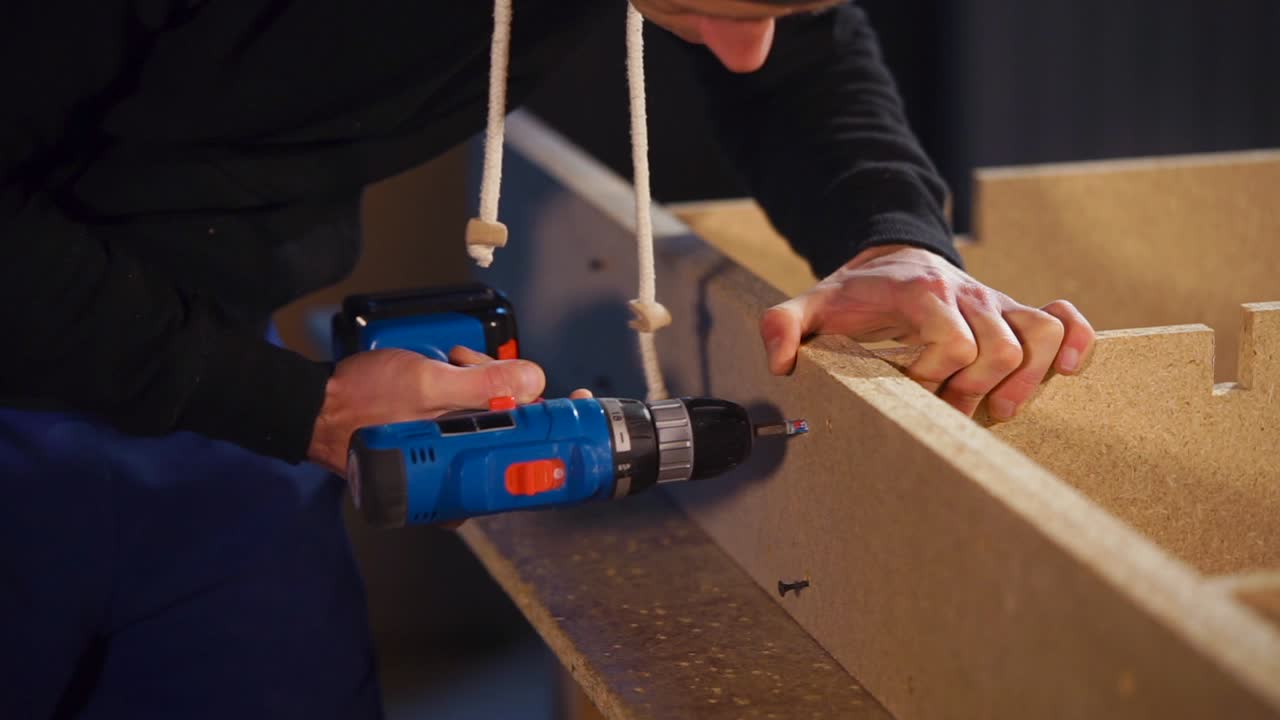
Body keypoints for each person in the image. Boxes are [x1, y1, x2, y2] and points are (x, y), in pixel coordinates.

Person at [1, 0, 1095, 717]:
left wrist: (891, 233)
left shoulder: (753, 17)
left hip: (218, 397)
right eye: (721, 4)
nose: (747, 45)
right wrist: (290, 405)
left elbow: (797, 50)